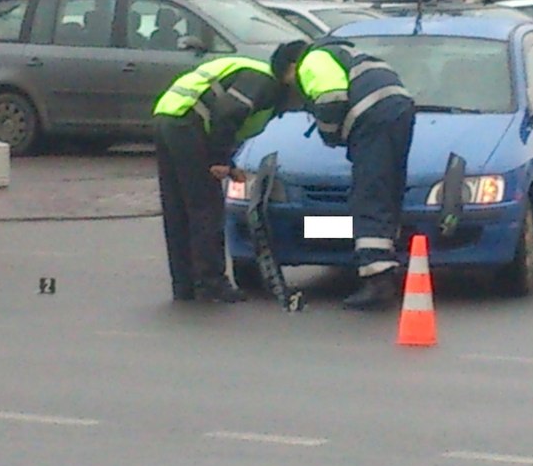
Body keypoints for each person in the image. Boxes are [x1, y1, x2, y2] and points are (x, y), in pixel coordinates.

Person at [271, 39, 415, 310]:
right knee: (387, 190)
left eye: (289, 83)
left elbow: (330, 98)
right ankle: (386, 264)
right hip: (398, 110)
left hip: (373, 115)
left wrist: (329, 134)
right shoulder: (346, 53)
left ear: (291, 67)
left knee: (369, 194)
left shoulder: (312, 61)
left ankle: (377, 282)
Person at [152, 56, 289, 302]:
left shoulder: (252, 73)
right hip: (188, 124)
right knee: (206, 208)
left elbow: (227, 120)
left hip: (169, 116)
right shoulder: (264, 81)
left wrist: (229, 163)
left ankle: (184, 284)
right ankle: (211, 284)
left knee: (178, 209)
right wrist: (219, 160)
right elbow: (228, 113)